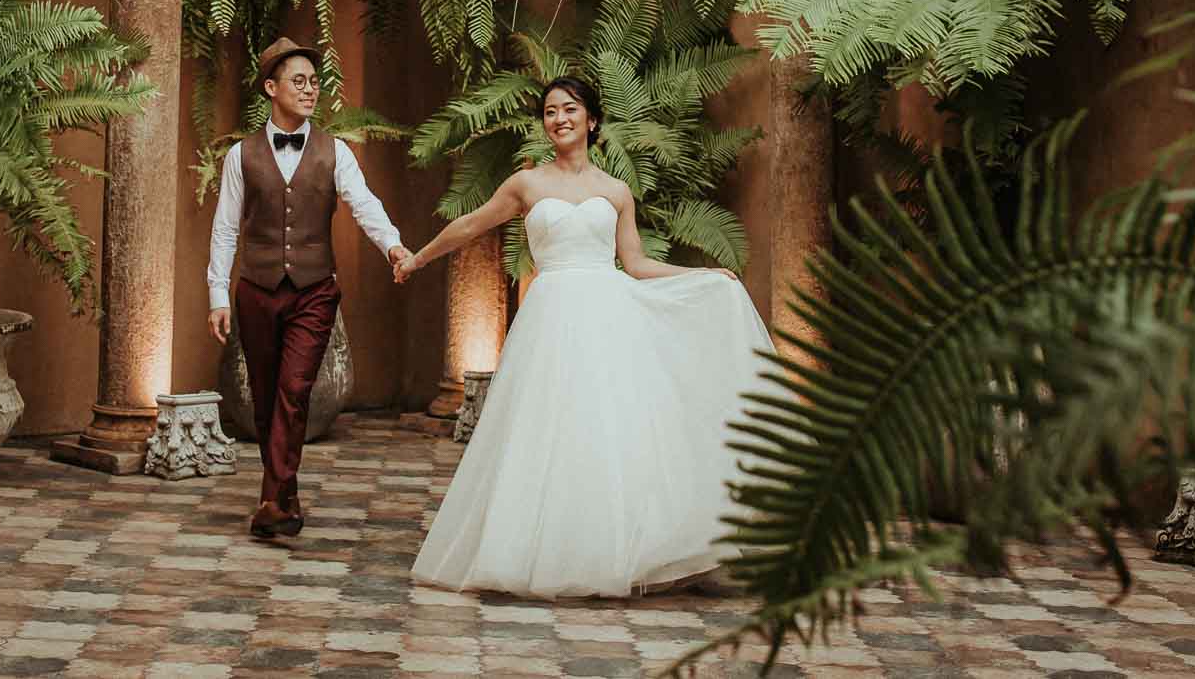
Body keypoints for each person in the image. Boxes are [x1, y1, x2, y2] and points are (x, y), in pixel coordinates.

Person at [394, 74, 773, 598]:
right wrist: (418, 257)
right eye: (550, 111)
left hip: (607, 313)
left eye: (569, 109)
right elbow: (469, 226)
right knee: (546, 429)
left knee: (609, 429)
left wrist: (702, 276)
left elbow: (635, 263)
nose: (559, 119)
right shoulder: (527, 185)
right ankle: (538, 549)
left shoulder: (616, 191)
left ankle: (616, 551)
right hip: (550, 317)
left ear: (591, 120)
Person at [207, 36, 413, 540]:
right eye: (298, 81)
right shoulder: (241, 155)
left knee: (294, 390)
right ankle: (285, 493)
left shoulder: (334, 151)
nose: (310, 90)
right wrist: (217, 294)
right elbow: (225, 227)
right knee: (264, 398)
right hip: (256, 289)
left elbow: (363, 203)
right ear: (271, 88)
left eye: (315, 82)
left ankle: (272, 503)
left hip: (314, 289)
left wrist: (393, 245)